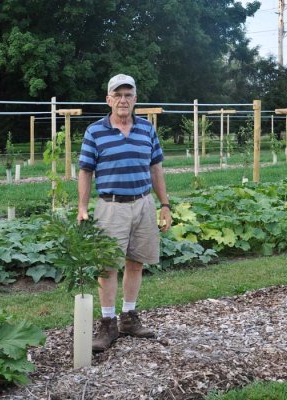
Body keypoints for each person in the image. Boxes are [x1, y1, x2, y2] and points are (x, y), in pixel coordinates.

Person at [77, 73, 172, 352]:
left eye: (128, 94)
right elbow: (85, 171)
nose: (123, 100)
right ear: (108, 99)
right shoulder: (95, 132)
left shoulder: (147, 130)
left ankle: (129, 317)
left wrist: (164, 204)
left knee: (136, 261)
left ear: (135, 99)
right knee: (107, 266)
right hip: (111, 205)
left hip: (143, 204)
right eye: (117, 95)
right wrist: (82, 207)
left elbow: (156, 168)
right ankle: (108, 323)